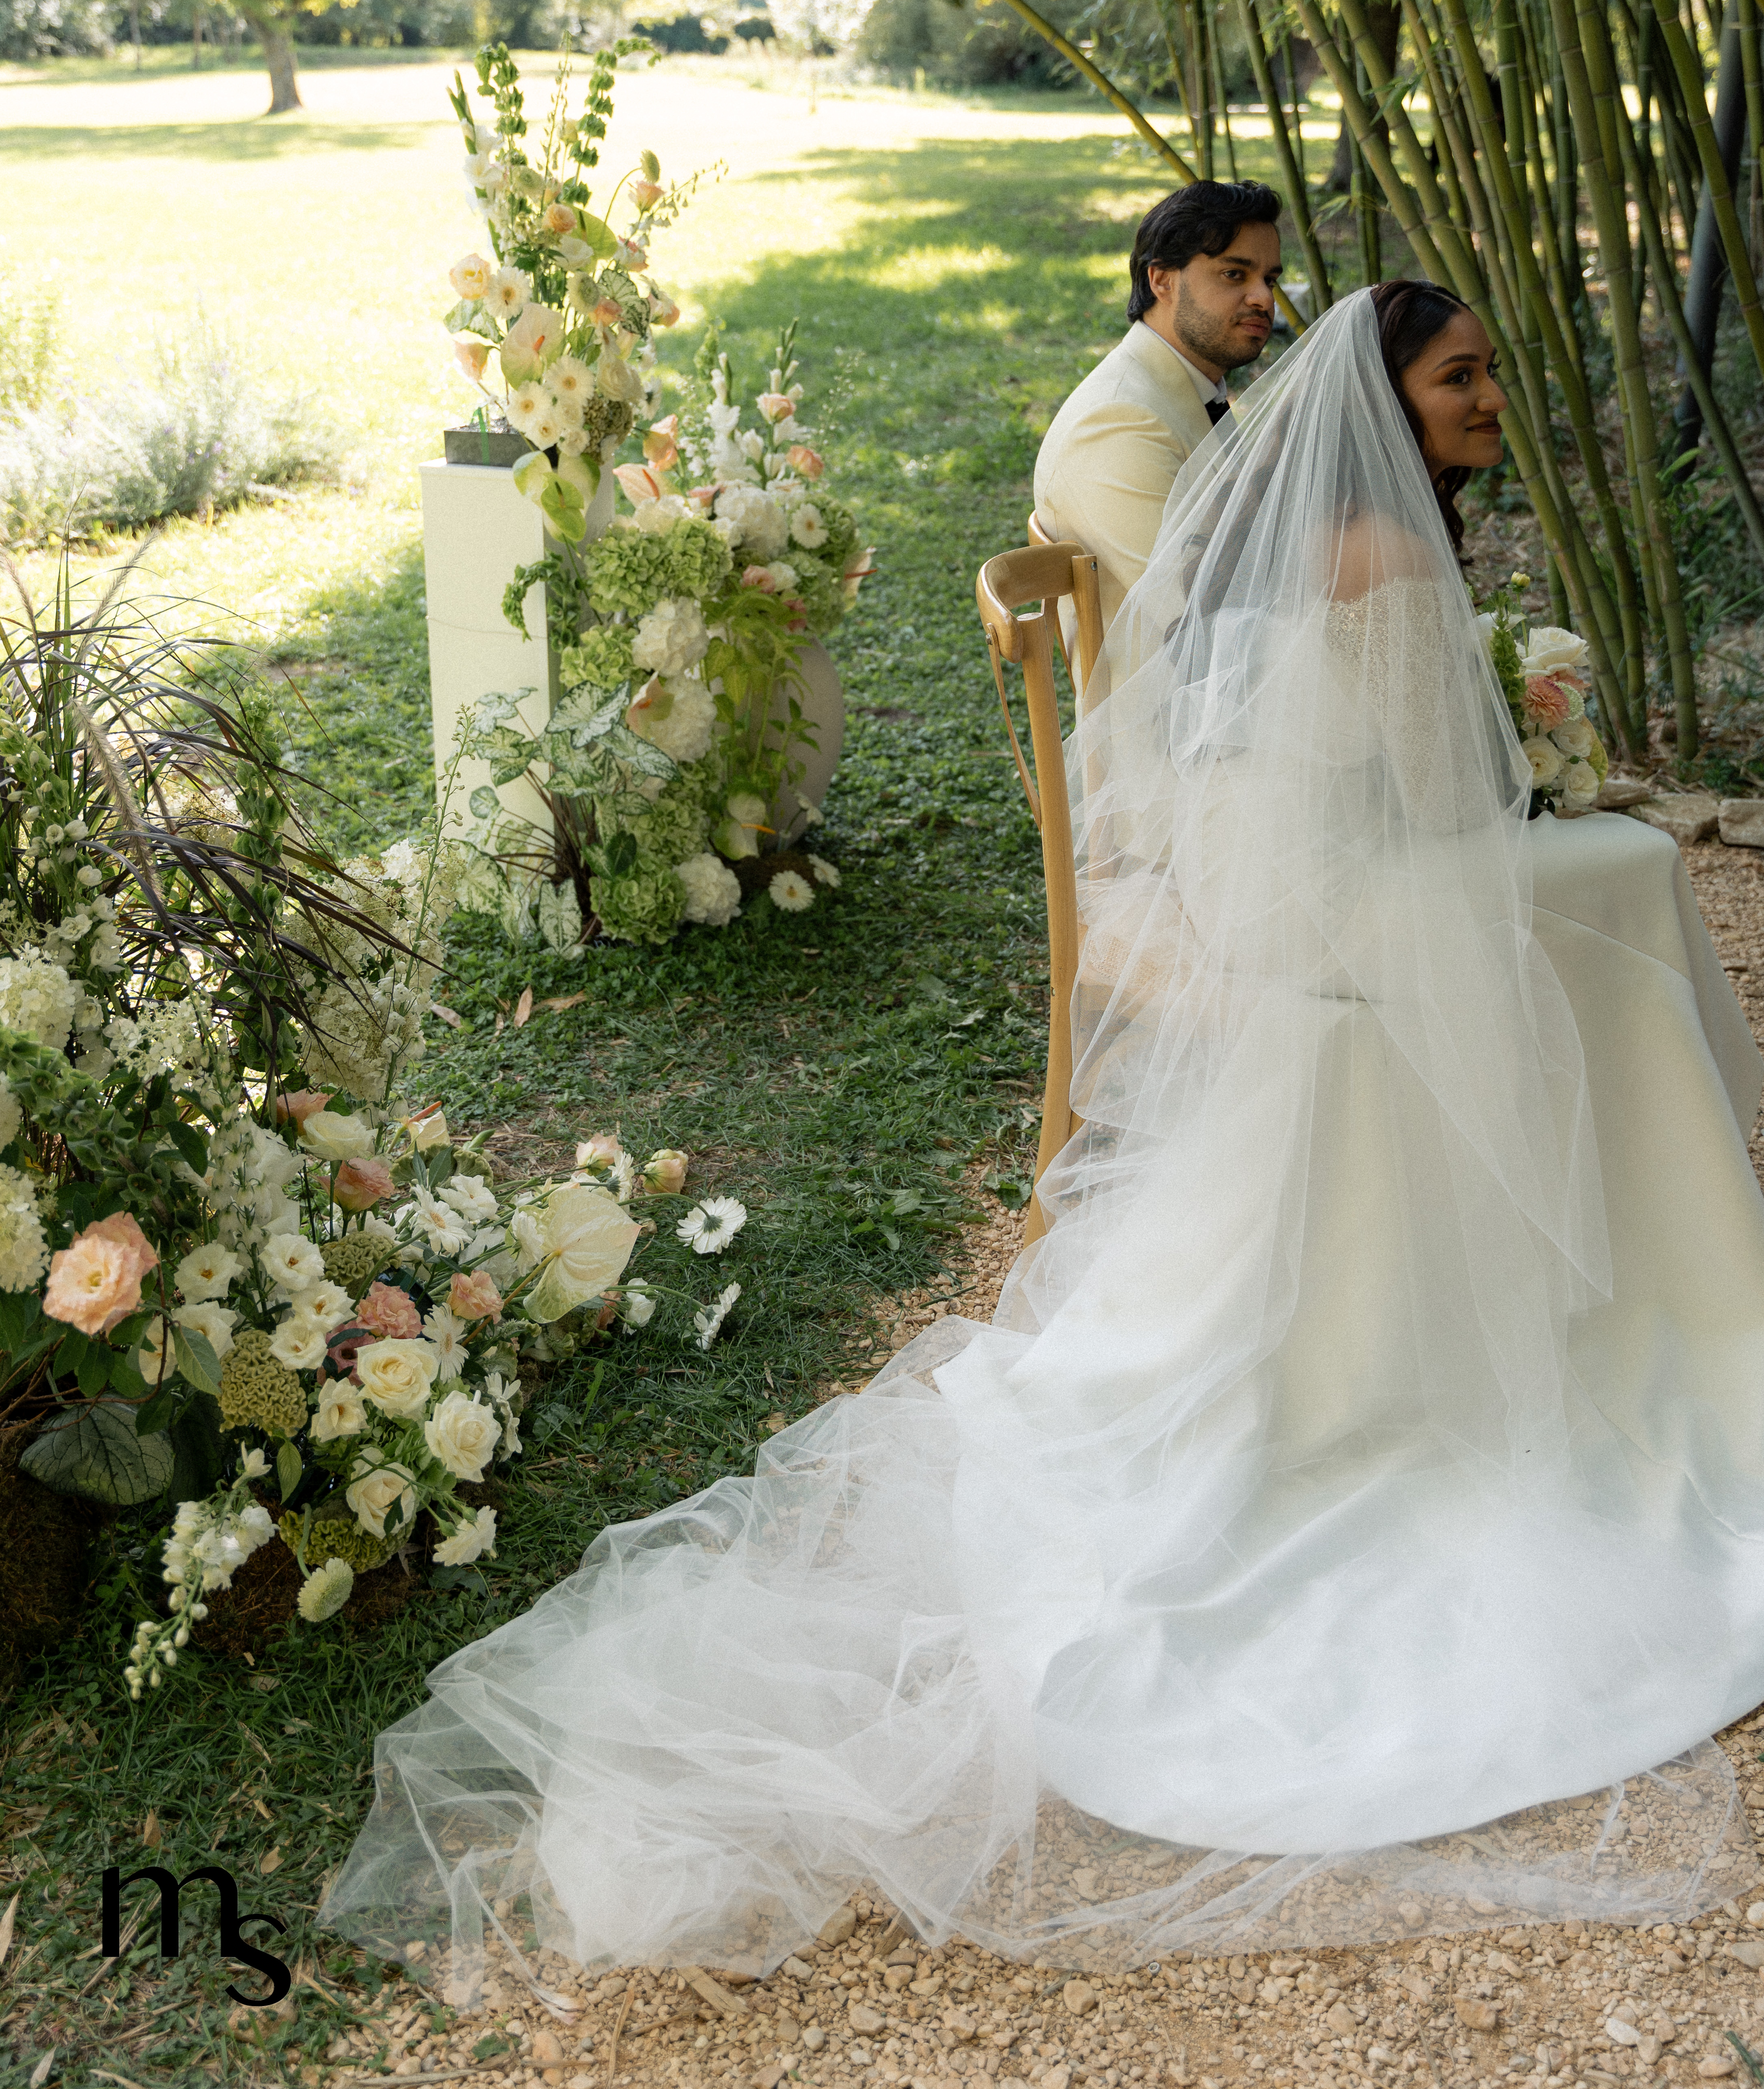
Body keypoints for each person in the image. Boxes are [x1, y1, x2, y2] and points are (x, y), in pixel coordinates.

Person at [325, 287, 1764, 2004]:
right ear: (1389, 400)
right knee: (1612, 902)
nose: (1494, 400)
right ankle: (1649, 1291)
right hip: (1333, 919)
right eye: (1466, 375)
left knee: (1586, 900)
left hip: (1289, 882)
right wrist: (1555, 771)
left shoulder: (1357, 527)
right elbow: (1435, 809)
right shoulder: (1382, 550)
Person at [1033, 178, 1284, 627]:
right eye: (1234, 274)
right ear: (1162, 280)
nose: (1264, 298)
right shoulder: (1117, 423)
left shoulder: (1186, 390)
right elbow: (1187, 618)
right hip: (1181, 691)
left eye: (1269, 279)